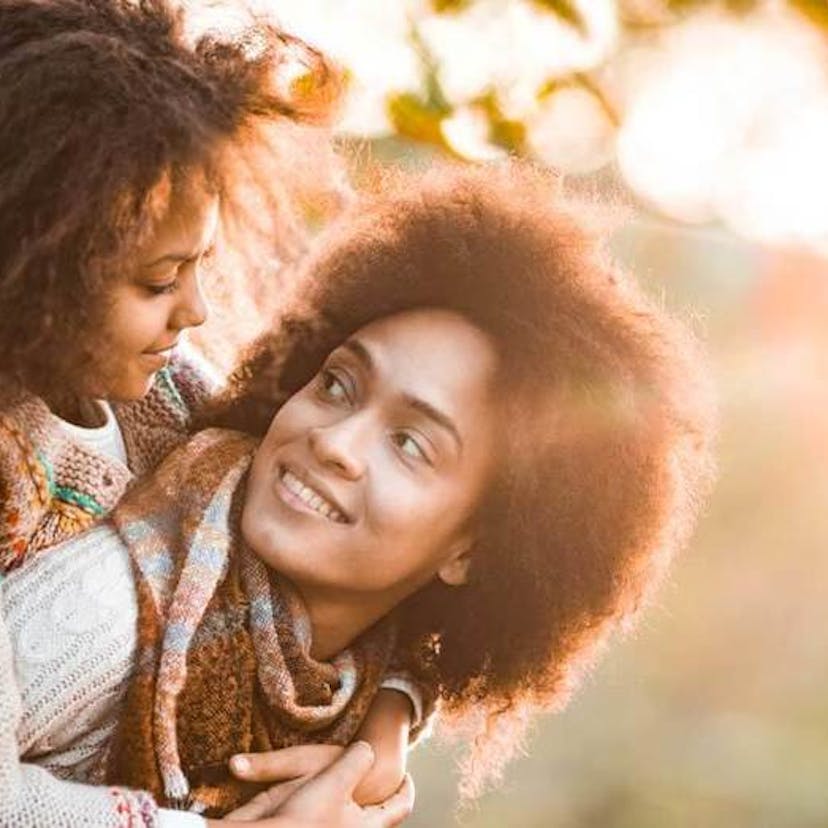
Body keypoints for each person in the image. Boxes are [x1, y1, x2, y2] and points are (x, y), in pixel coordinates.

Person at [1, 163, 716, 824]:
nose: (334, 444)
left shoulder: (340, 667)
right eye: (338, 385)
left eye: (410, 444)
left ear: (472, 550)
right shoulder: (112, 608)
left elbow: (409, 657)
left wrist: (384, 730)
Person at [0, 0, 425, 824]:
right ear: (35, 270)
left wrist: (386, 721)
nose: (196, 309)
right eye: (158, 282)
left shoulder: (168, 392)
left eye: (204, 262)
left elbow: (375, 551)